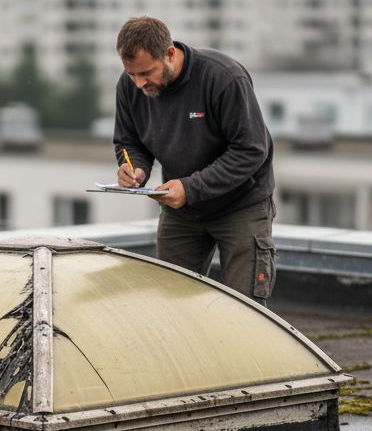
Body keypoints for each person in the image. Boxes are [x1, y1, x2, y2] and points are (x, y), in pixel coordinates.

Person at [113, 16, 277, 304]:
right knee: (171, 302)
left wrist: (191, 188)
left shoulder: (223, 78)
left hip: (240, 205)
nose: (139, 84)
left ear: (170, 54)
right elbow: (130, 140)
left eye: (146, 73)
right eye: (131, 75)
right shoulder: (130, 87)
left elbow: (250, 149)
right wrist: (135, 168)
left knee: (248, 309)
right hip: (182, 212)